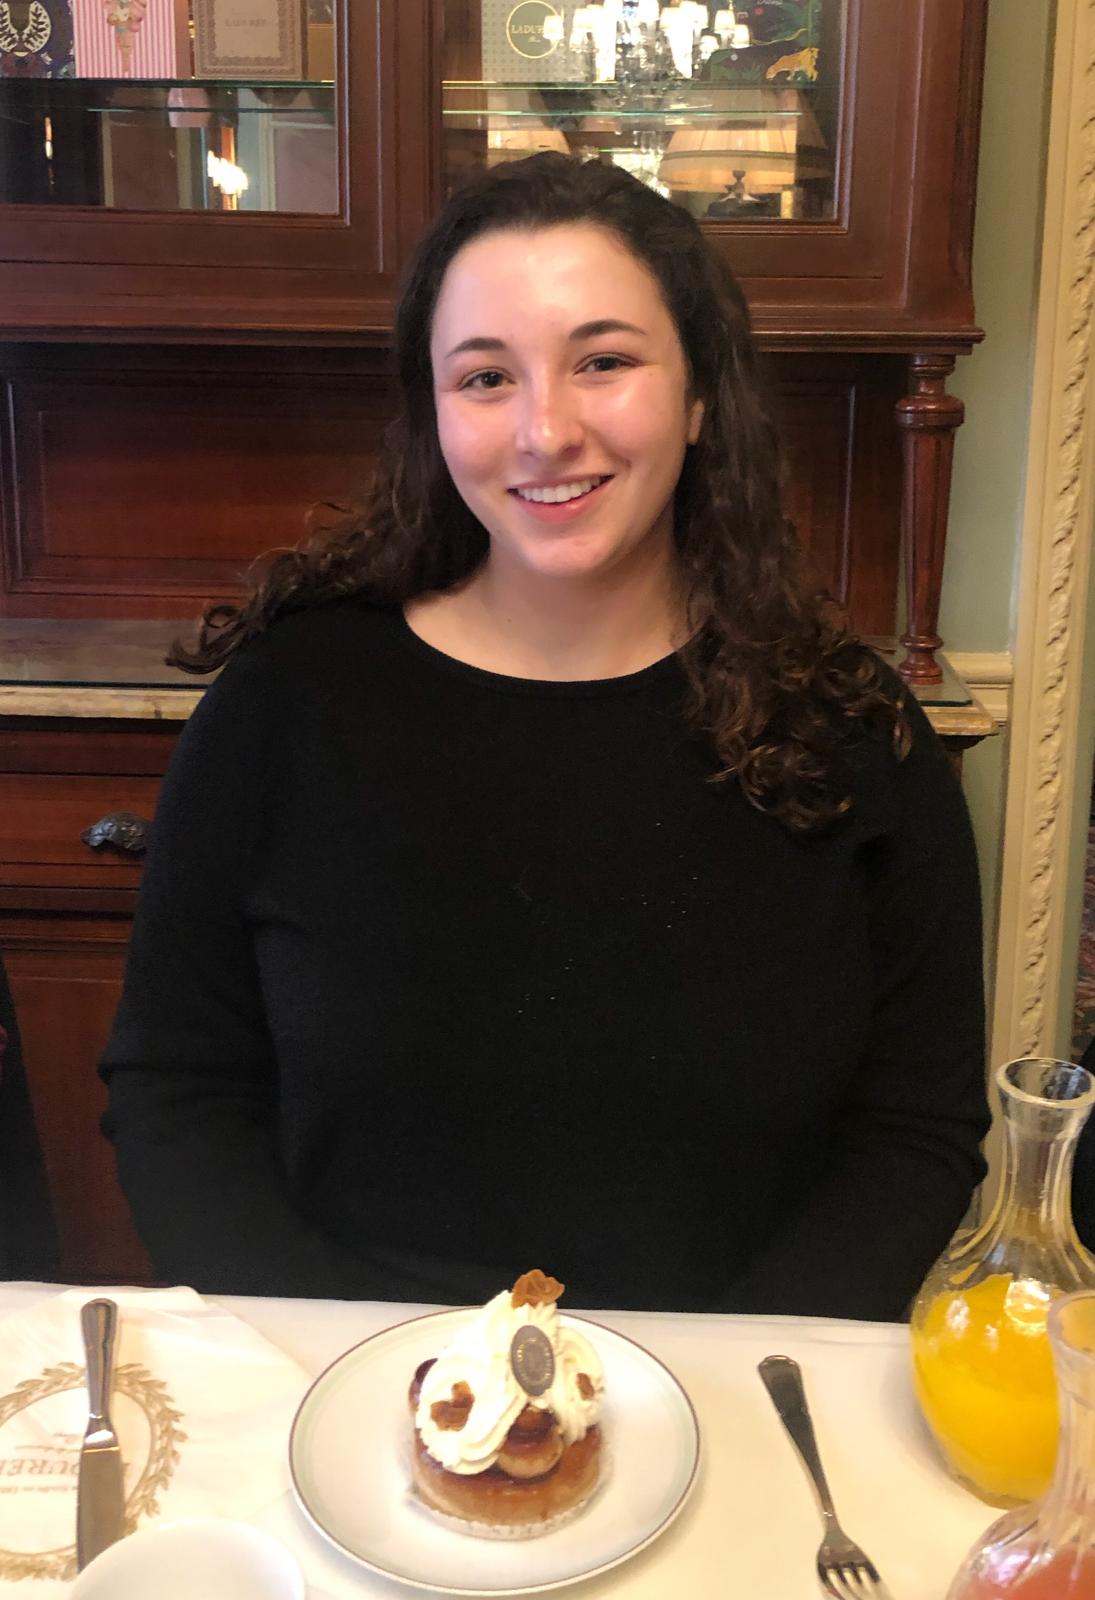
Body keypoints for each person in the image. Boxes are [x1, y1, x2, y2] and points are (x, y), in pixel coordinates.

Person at [100, 152, 989, 1317]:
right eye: (485, 377)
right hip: (344, 1379)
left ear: (701, 395)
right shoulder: (286, 707)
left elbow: (915, 1130)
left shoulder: (860, 731)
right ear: (433, 413)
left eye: (604, 361)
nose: (545, 429)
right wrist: (350, 1365)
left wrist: (715, 1380)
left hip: (733, 1388)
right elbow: (176, 1091)